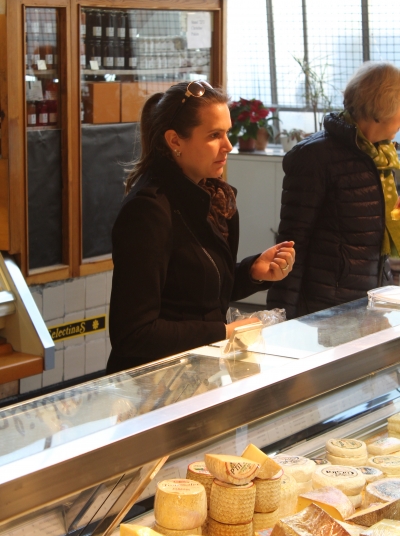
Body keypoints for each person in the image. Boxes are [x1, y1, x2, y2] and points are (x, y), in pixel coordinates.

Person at [106, 81, 295, 374]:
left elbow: (198, 290)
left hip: (196, 373)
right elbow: (133, 334)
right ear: (175, 141)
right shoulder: (148, 211)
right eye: (214, 135)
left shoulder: (214, 197)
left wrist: (253, 272)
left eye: (227, 133)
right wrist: (224, 332)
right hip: (152, 381)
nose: (228, 146)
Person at [267, 61, 400, 320]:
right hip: (325, 308)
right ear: (383, 109)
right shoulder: (314, 156)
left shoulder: (383, 157)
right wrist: (280, 316)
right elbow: (293, 242)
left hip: (373, 299)